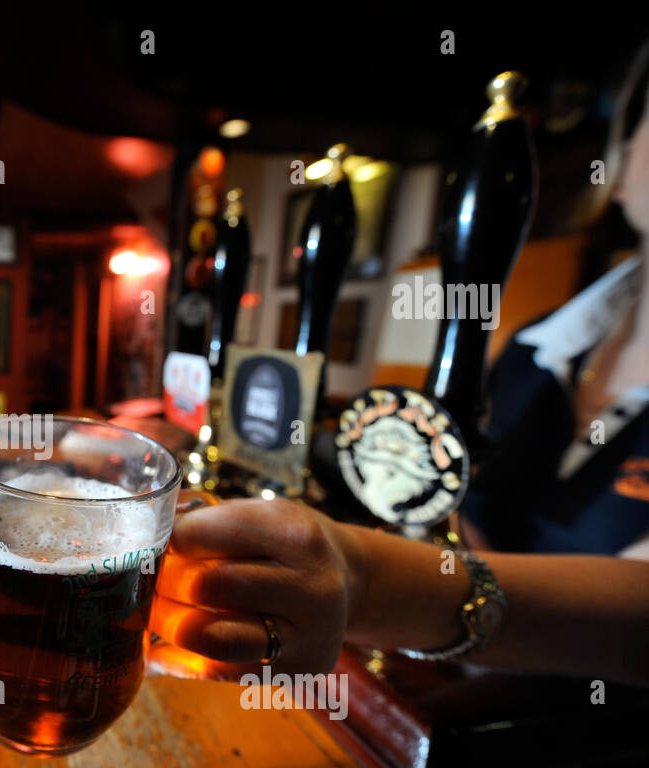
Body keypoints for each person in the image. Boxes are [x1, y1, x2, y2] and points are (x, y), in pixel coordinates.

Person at [150, 40, 649, 689]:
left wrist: (372, 582)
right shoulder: (539, 346)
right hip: (429, 685)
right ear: (626, 152)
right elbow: (439, 492)